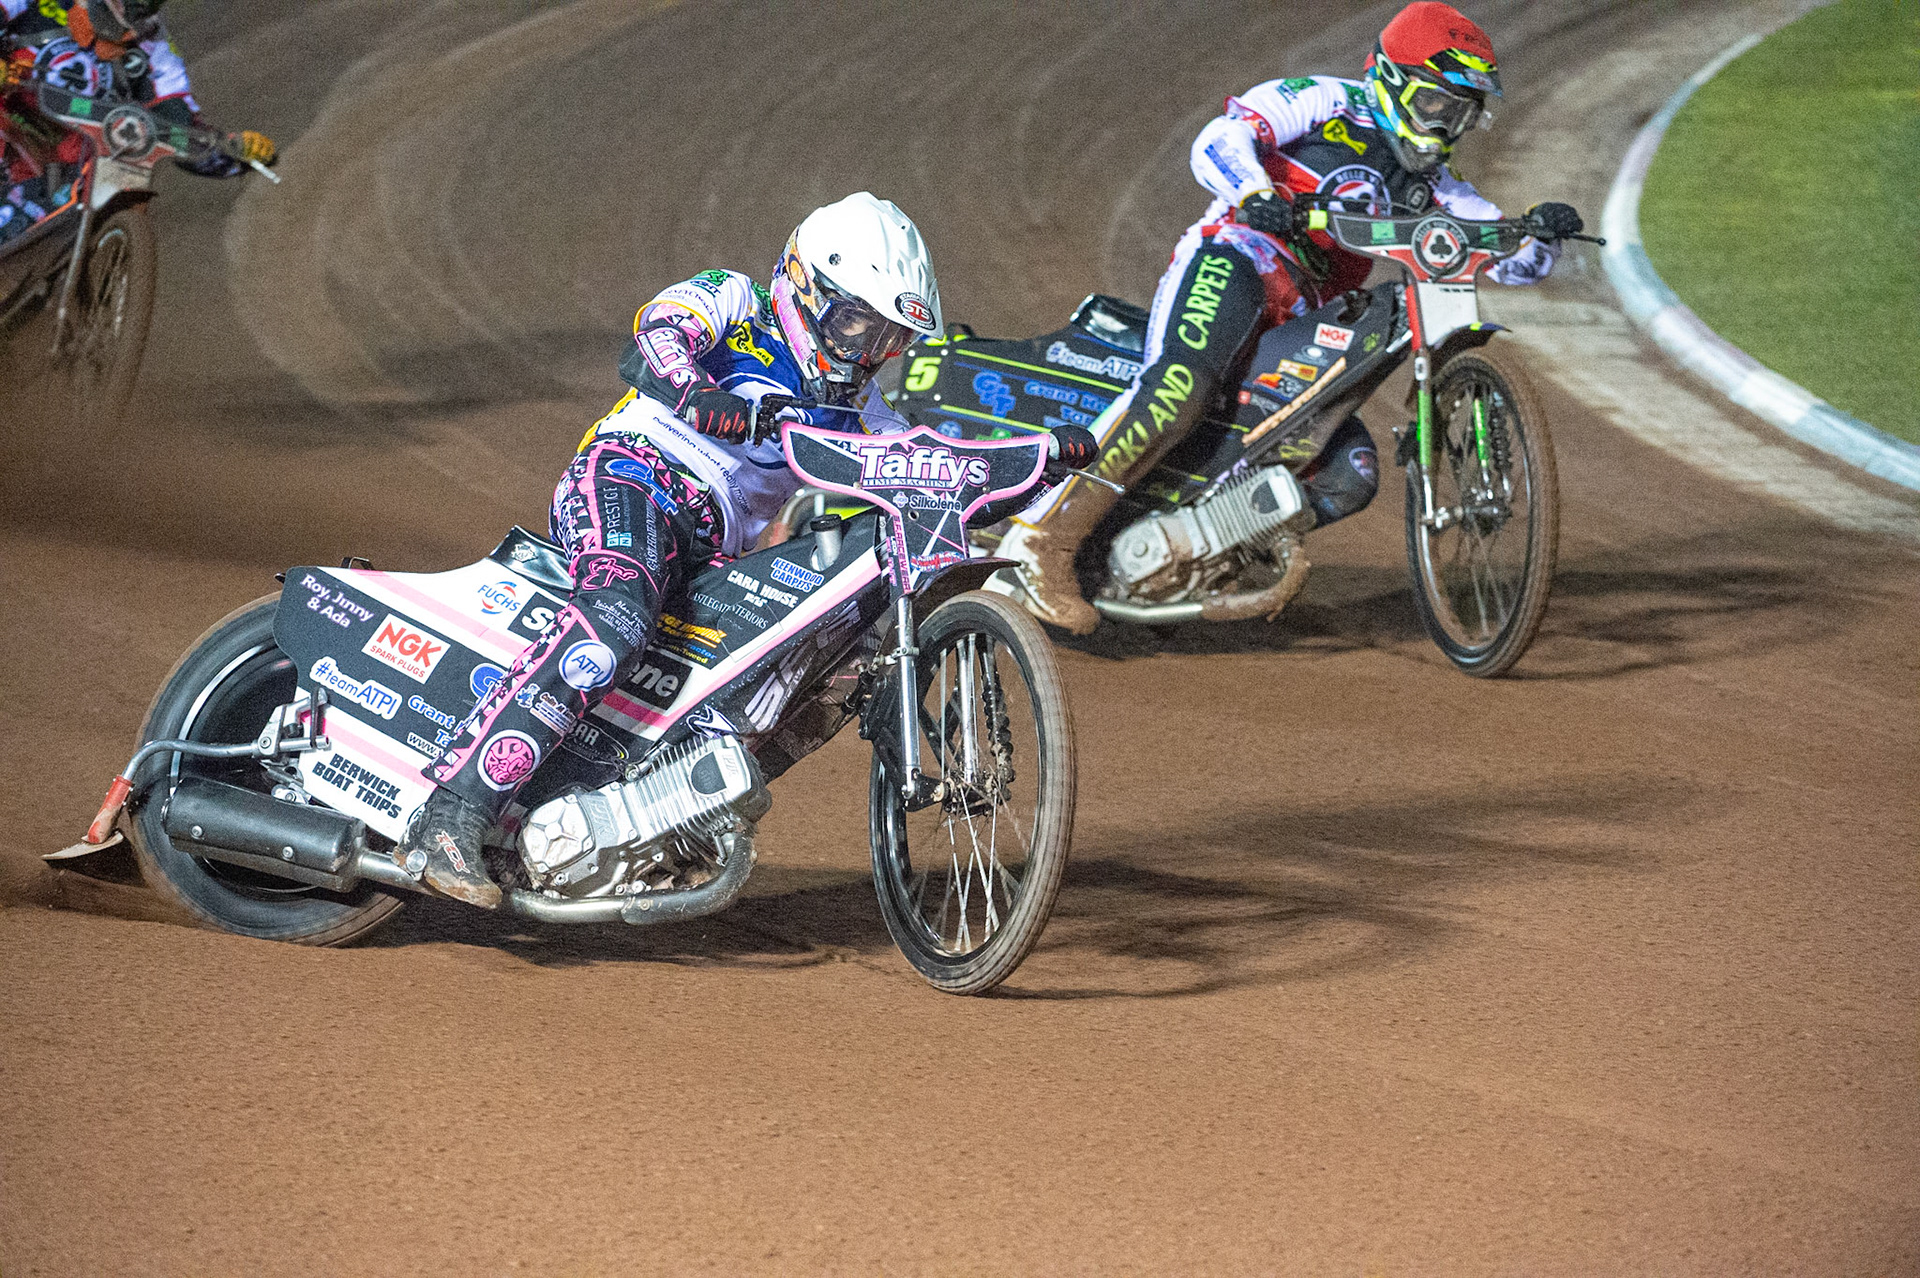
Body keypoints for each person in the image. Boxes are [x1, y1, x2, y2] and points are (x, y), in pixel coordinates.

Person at [395, 193, 1096, 907]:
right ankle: (452, 813)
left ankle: (658, 817)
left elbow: (933, 472)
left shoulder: (859, 412)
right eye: (857, 323)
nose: (865, 353)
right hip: (631, 476)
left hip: (714, 547)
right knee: (616, 617)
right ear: (804, 284)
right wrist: (699, 393)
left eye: (887, 340)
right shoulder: (734, 299)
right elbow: (654, 339)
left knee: (811, 666)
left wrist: (1040, 464)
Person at [997, 1, 1587, 635]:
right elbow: (1219, 140)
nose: (1443, 129)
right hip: (1236, 259)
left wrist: (1540, 232)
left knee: (1351, 470)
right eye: (1436, 106)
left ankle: (1194, 557)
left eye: (1461, 116)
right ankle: (1039, 544)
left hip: (1303, 310)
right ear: (1391, 80)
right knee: (1181, 387)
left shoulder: (1437, 183)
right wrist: (1256, 195)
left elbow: (1508, 258)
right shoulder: (1326, 100)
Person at [0, 0, 274, 246]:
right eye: (119, 14)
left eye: (136, 20)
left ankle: (97, 275)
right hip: (16, 124)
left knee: (132, 170)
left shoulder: (156, 50)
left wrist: (231, 152)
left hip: (76, 159)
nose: (129, 34)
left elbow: (181, 131)